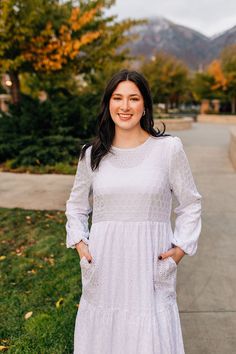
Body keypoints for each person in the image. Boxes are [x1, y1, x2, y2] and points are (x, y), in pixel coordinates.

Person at [65, 69, 202, 354]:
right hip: (105, 264)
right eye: (117, 98)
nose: (125, 106)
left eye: (133, 98)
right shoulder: (91, 155)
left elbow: (190, 203)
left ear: (145, 106)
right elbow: (76, 206)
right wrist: (80, 244)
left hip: (149, 264)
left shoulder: (168, 150)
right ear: (108, 103)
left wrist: (179, 250)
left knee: (148, 335)